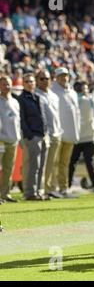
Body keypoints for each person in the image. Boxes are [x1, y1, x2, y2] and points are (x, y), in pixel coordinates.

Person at [68, 81, 94, 193]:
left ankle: (67, 185)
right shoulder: (88, 100)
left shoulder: (73, 99)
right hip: (83, 136)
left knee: (73, 162)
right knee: (89, 162)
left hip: (80, 136)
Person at [18, 73, 48, 201]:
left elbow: (43, 117)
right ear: (23, 84)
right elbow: (22, 120)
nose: (30, 84)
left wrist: (46, 132)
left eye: (32, 81)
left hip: (42, 135)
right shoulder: (21, 99)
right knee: (33, 166)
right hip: (32, 136)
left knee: (41, 166)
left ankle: (39, 191)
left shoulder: (38, 97)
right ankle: (30, 192)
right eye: (27, 82)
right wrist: (29, 135)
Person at [51, 67, 80, 197]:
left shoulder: (72, 92)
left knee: (64, 163)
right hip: (57, 133)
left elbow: (77, 114)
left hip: (70, 133)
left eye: (66, 75)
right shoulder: (52, 92)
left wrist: (76, 132)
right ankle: (52, 188)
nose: (64, 78)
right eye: (61, 76)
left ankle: (63, 188)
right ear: (56, 78)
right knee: (53, 162)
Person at [35, 70, 63, 198]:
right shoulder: (36, 95)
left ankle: (50, 188)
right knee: (42, 164)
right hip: (45, 134)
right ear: (37, 80)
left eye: (47, 78)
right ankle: (41, 189)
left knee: (53, 164)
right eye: (42, 79)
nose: (45, 81)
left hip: (57, 133)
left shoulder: (54, 95)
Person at [0, 75, 20, 203]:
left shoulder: (15, 102)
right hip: (1, 140)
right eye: (3, 84)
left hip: (13, 140)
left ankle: (5, 194)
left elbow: (17, 122)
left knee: (8, 169)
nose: (6, 86)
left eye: (8, 84)